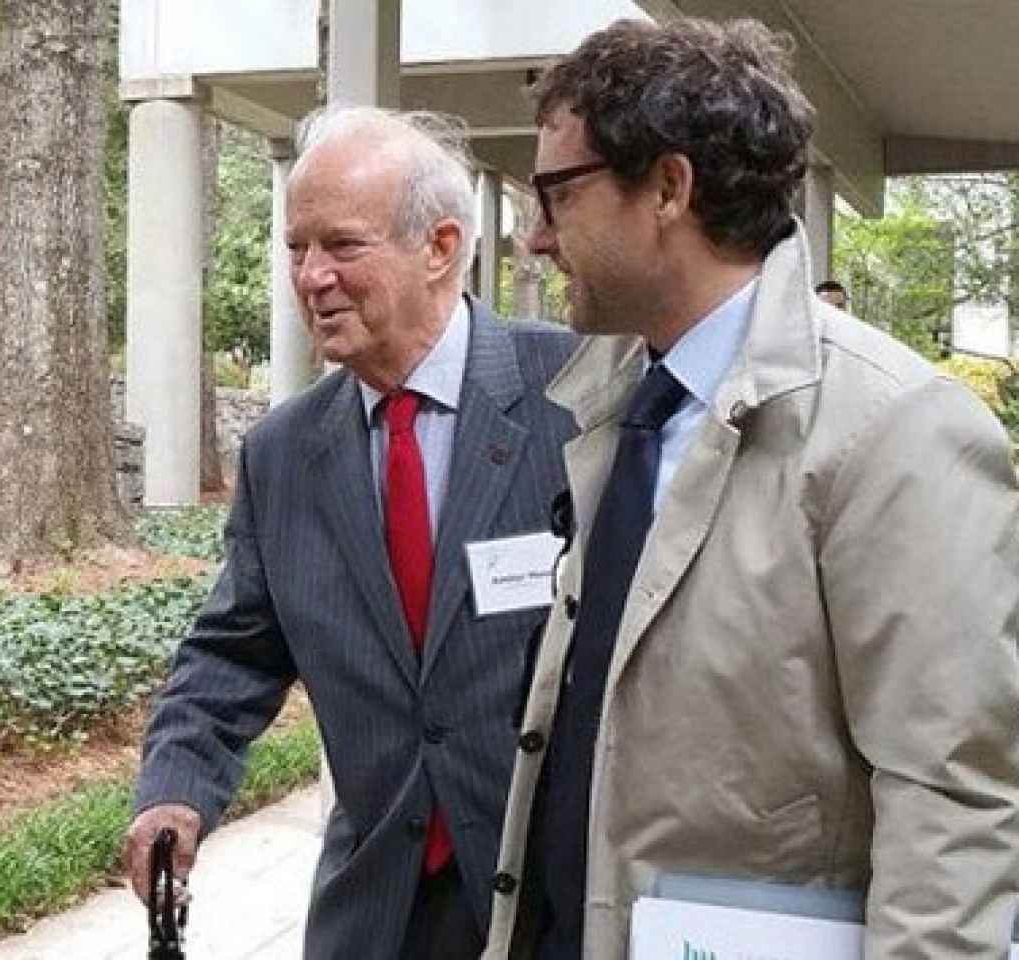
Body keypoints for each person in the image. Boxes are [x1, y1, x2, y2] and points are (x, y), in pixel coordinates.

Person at [485, 18, 1019, 960]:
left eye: (555, 196)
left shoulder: (898, 433)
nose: (533, 239)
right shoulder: (614, 405)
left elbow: (953, 809)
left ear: (667, 187)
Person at [124, 106, 579, 960]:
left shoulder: (578, 395)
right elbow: (234, 651)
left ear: (441, 247)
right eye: (297, 248)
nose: (311, 276)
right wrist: (175, 789)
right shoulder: (284, 453)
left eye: (341, 246)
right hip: (376, 914)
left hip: (551, 907)